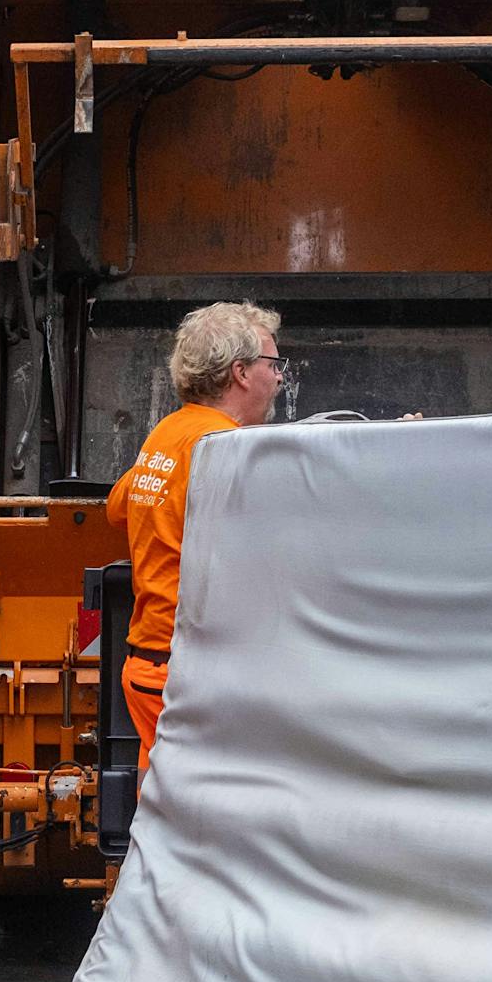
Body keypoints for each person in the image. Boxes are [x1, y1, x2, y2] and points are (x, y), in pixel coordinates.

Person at [106, 301, 284, 767]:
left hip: (150, 667)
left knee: (164, 812)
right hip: (193, 673)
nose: (280, 377)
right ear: (241, 372)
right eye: (273, 364)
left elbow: (118, 508)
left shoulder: (169, 434)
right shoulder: (227, 449)